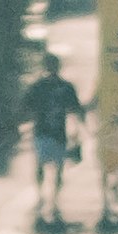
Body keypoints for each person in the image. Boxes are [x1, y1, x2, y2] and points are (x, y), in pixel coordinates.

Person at [20, 48, 85, 223]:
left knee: (51, 167)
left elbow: (26, 106)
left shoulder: (47, 86)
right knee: (49, 166)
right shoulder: (54, 87)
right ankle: (46, 198)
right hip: (48, 132)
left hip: (50, 132)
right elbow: (77, 109)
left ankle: (49, 199)